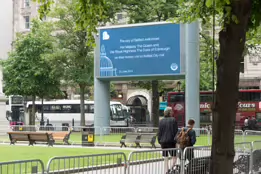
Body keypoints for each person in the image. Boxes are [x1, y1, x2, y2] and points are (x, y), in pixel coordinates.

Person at [158, 106, 178, 173]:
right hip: (171, 141)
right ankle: (171, 169)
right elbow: (176, 132)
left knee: (165, 157)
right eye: (171, 111)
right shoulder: (173, 120)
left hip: (163, 141)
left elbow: (159, 132)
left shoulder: (161, 120)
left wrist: (160, 141)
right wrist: (176, 142)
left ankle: (166, 171)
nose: (172, 112)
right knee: (174, 157)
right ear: (169, 112)